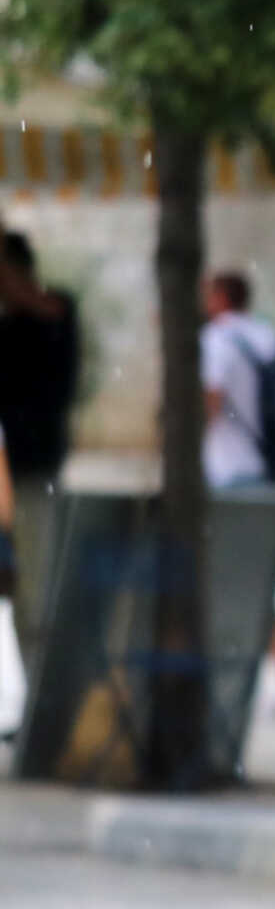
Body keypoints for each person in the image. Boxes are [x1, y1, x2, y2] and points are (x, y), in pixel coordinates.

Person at [200, 269, 275, 719]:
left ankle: (235, 687)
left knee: (235, 586)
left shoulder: (218, 340)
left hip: (227, 472)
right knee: (260, 584)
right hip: (265, 470)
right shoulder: (266, 337)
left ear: (221, 297)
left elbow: (211, 398)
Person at [0, 228, 81, 686]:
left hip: (32, 474)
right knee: (25, 596)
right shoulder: (9, 327)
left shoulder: (54, 311)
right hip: (10, 474)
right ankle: (39, 702)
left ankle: (45, 701)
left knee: (36, 594)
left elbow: (41, 303)